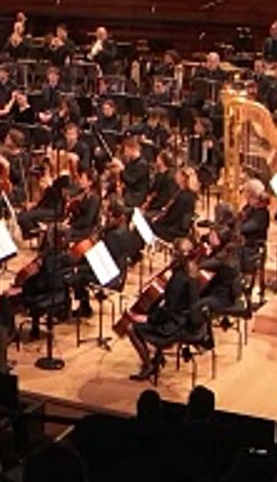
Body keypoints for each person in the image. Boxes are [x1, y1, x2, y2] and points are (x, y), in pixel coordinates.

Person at [128, 242, 205, 382]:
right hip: (187, 319)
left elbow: (169, 310)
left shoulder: (180, 278)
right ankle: (157, 358)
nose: (171, 255)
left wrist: (147, 318)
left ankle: (148, 366)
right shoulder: (192, 270)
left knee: (131, 328)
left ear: (178, 256)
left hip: (175, 325)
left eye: (173, 253)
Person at [149, 168, 199, 242]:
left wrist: (157, 220)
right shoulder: (188, 194)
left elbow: (172, 217)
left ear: (183, 178)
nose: (176, 176)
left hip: (175, 229)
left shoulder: (183, 197)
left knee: (149, 224)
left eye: (178, 174)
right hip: (177, 225)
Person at [116, 137, 151, 210]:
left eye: (126, 151)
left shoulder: (142, 164)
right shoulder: (131, 162)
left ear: (131, 149)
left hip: (136, 195)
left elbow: (130, 180)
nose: (125, 154)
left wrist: (121, 169)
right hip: (129, 191)